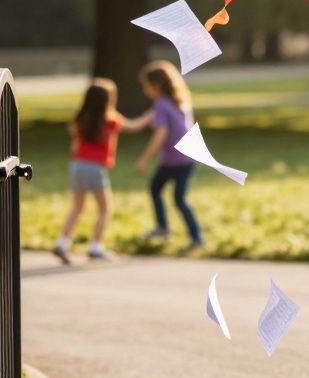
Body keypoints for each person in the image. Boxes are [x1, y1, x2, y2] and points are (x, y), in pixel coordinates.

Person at [124, 60, 204, 251]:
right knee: (157, 189)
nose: (144, 90)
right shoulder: (179, 101)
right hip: (186, 160)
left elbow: (161, 134)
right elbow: (141, 122)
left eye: (146, 85)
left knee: (178, 199)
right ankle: (165, 229)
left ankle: (194, 237)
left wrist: (144, 158)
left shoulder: (161, 104)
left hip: (175, 162)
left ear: (156, 85)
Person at [54, 79, 124, 264]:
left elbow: (74, 145)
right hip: (95, 168)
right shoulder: (111, 121)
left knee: (77, 207)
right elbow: (129, 125)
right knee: (105, 208)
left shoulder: (80, 120)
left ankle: (62, 242)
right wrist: (149, 116)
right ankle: (96, 247)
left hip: (77, 165)